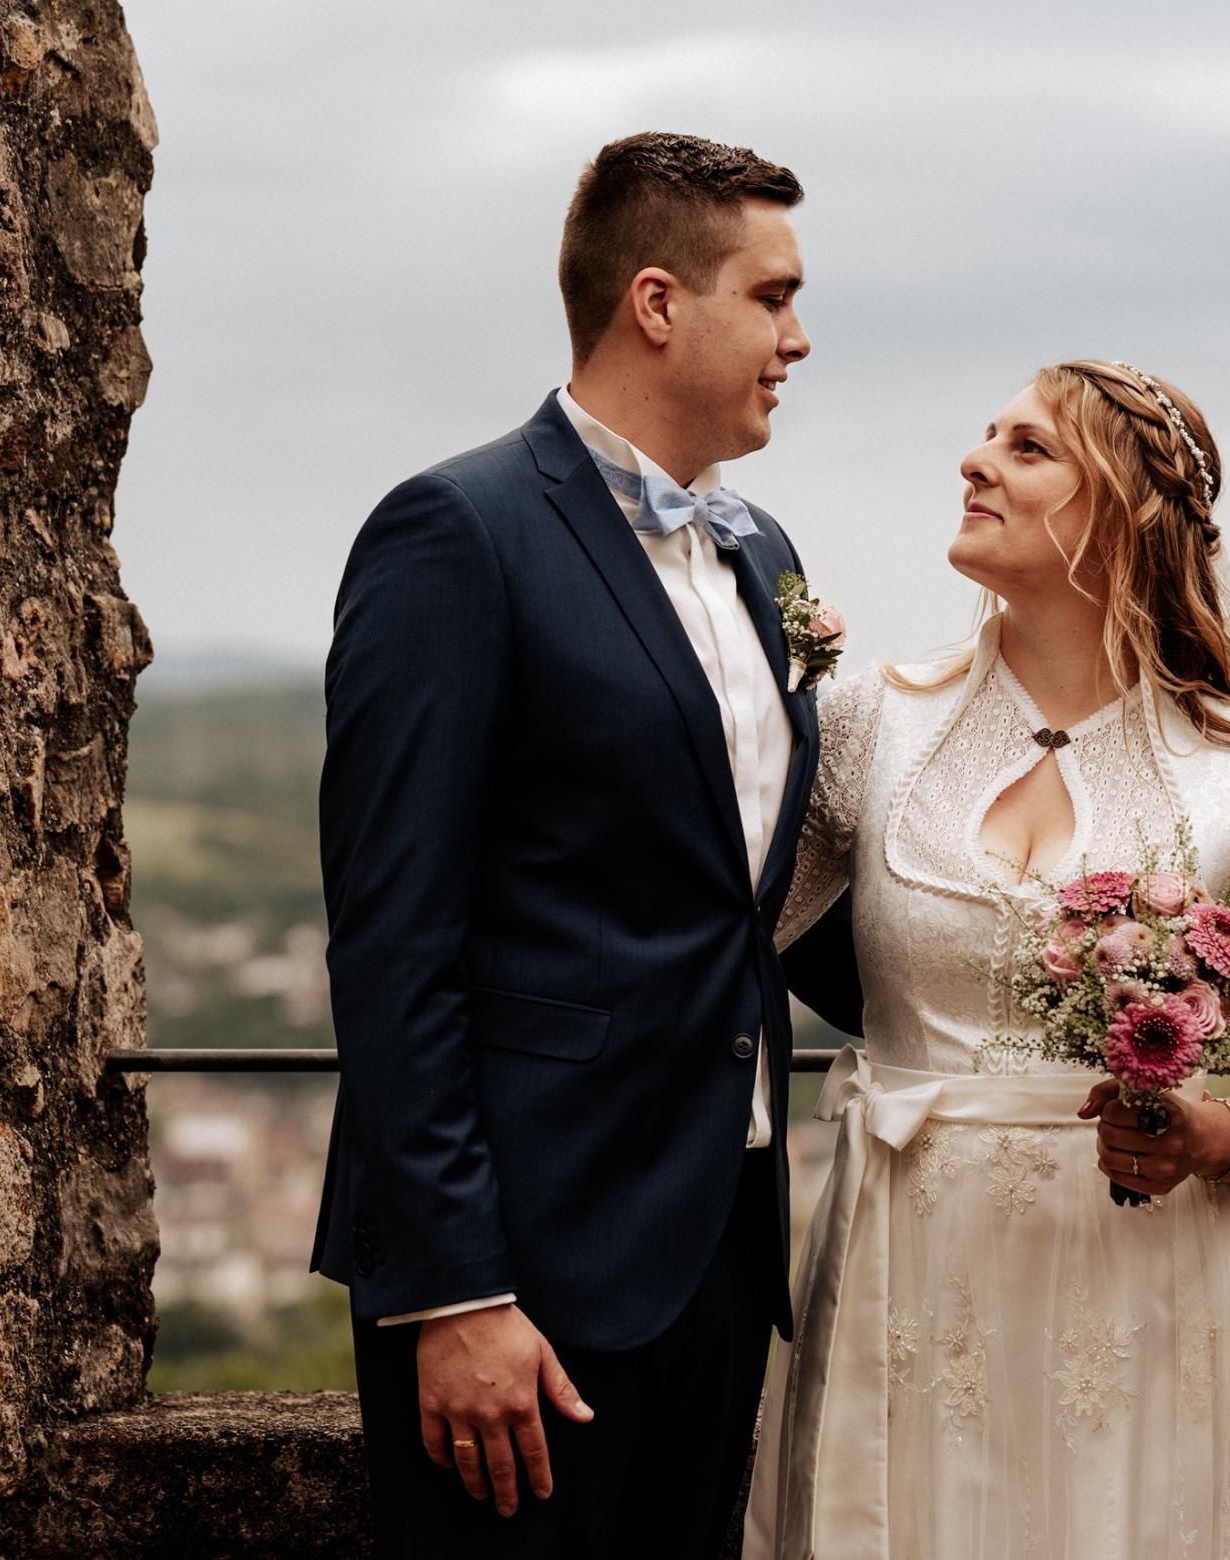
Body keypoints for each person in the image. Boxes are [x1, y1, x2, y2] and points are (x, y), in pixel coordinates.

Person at [310, 131, 860, 1560]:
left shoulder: (763, 554)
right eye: (774, 296)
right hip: (527, 1263)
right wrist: (452, 1293)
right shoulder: (458, 532)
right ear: (659, 304)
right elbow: (392, 935)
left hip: (722, 1239)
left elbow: (747, 893)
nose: (799, 339)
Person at [744, 360, 1230, 1557]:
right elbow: (711, 929)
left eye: (1026, 449)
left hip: (1144, 1273)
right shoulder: (875, 720)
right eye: (984, 438)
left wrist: (1206, 1137)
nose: (975, 462)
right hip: (904, 1257)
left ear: (1120, 510)